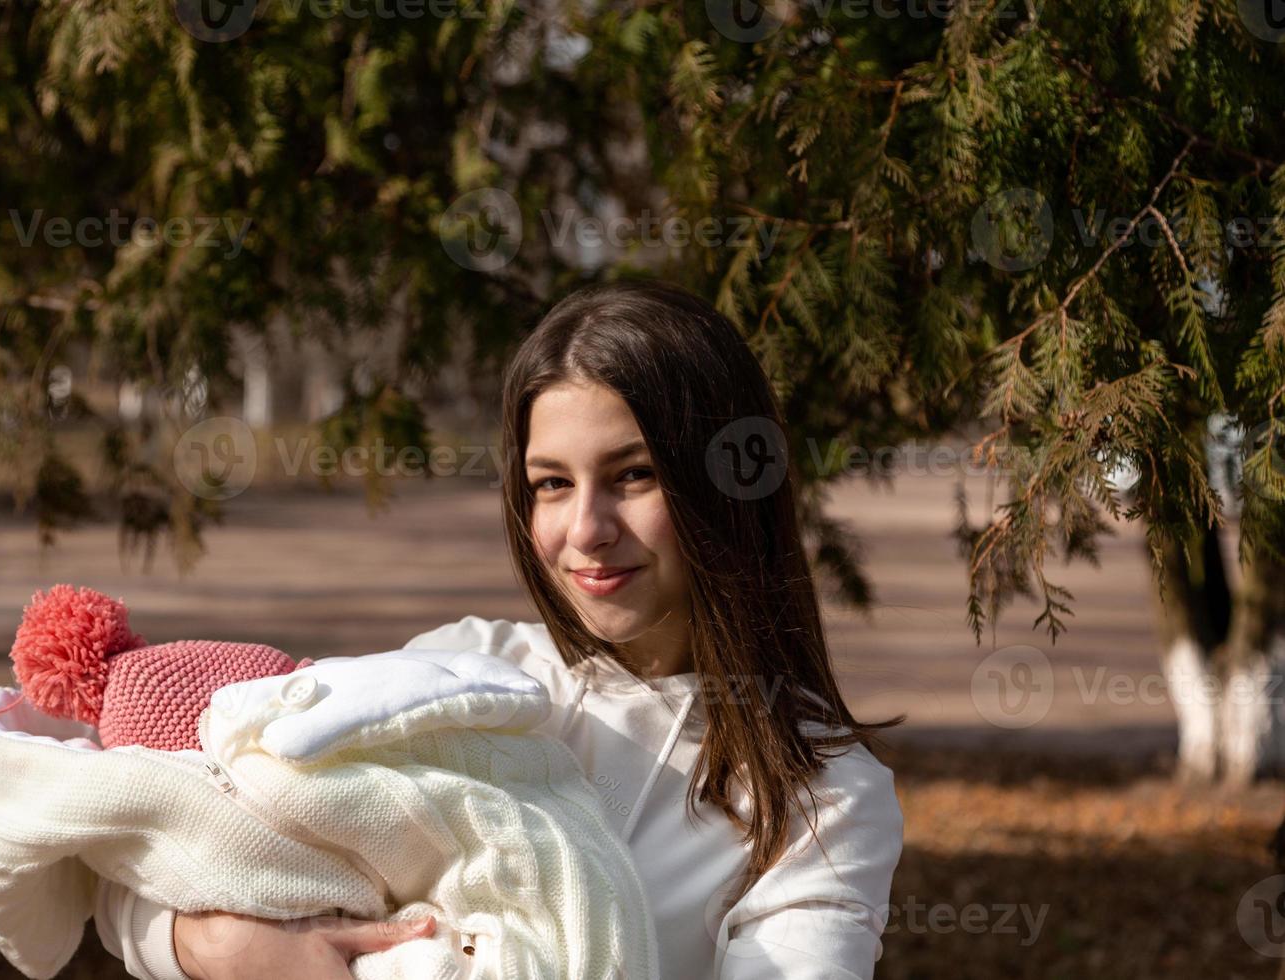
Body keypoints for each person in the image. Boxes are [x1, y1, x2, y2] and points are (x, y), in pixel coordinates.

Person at [92, 278, 905, 980]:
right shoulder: (462, 672)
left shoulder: (823, 798)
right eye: (551, 484)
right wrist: (214, 944)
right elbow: (152, 852)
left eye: (634, 475)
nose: (585, 529)